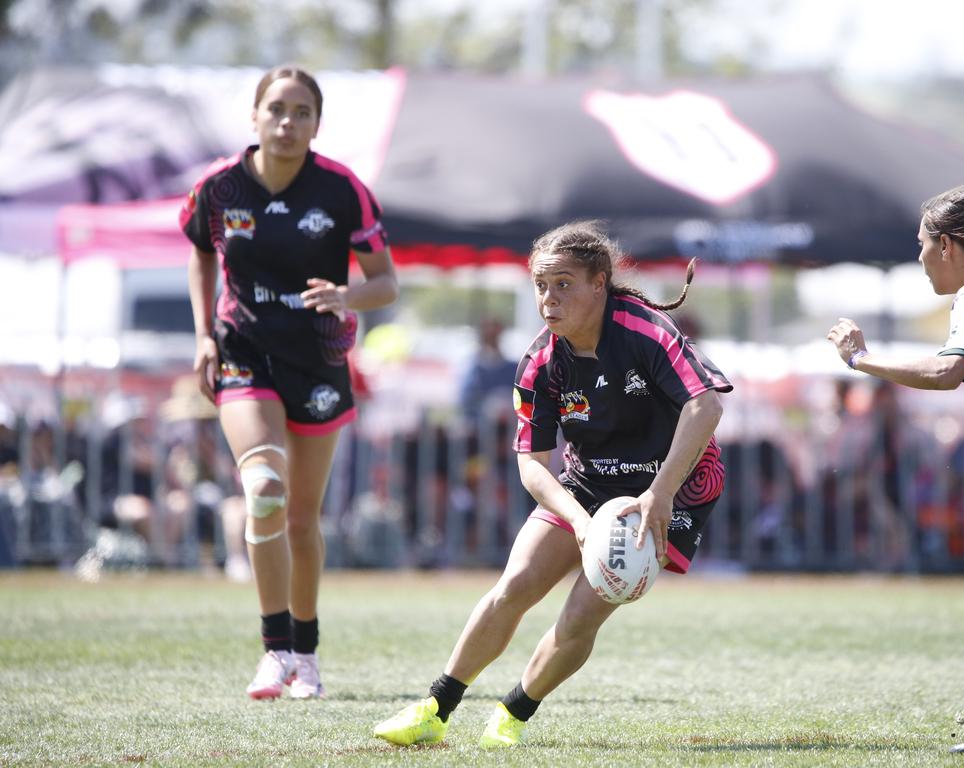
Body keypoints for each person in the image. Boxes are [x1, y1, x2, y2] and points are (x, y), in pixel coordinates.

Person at [374, 220, 731, 748]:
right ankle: (435, 709)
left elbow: (706, 406)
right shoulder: (540, 362)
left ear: (599, 283)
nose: (549, 298)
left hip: (674, 487)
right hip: (587, 487)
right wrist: (582, 522)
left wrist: (658, 492)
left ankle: (513, 713)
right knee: (515, 585)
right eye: (541, 285)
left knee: (585, 609)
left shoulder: (645, 330)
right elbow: (533, 465)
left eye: (563, 283)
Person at [180, 64, 398, 701]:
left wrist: (346, 294)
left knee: (302, 521)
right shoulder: (219, 188)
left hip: (319, 361)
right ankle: (273, 651)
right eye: (276, 109)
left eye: (301, 112)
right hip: (243, 352)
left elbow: (386, 283)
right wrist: (202, 333)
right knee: (264, 487)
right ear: (254, 117)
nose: (287, 122)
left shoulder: (341, 190)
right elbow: (199, 250)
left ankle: (306, 655)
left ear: (316, 124)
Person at [826, 184, 964, 756]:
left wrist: (859, 360)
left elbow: (946, 373)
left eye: (920, 245)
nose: (917, 258)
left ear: (946, 243)